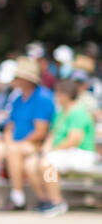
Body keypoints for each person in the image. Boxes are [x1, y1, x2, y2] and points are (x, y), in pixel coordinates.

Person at [0, 57, 54, 210]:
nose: (14, 80)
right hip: (16, 144)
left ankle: (18, 198)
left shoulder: (43, 97)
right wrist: (9, 142)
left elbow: (40, 132)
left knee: (13, 151)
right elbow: (10, 127)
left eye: (17, 77)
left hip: (34, 145)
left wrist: (14, 145)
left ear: (26, 79)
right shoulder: (18, 98)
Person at [28, 79, 97, 217]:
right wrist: (45, 149)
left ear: (66, 95)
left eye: (58, 94)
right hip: (63, 153)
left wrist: (52, 151)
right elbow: (52, 135)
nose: (55, 97)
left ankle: (57, 202)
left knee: (48, 164)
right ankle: (45, 199)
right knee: (30, 164)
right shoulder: (61, 113)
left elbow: (74, 140)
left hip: (81, 154)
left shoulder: (78, 112)